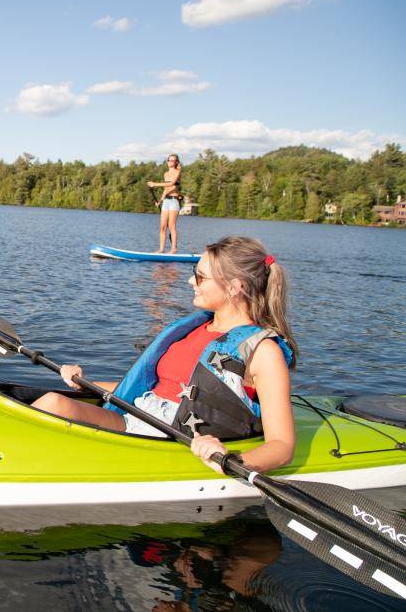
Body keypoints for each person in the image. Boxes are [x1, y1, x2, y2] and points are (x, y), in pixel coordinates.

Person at [32, 236, 298, 474]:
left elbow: (282, 446)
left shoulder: (264, 352)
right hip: (135, 419)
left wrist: (231, 460)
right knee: (54, 402)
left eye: (200, 276)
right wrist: (85, 383)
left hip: (174, 441)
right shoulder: (195, 329)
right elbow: (164, 390)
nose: (190, 281)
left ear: (234, 287)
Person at [147, 153, 183, 253]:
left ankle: (173, 249)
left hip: (174, 201)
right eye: (169, 160)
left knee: (171, 225)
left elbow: (171, 184)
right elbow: (166, 188)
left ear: (176, 162)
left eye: (172, 160)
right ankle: (161, 249)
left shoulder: (178, 171)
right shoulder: (166, 174)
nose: (170, 162)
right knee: (162, 227)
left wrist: (155, 184)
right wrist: (160, 201)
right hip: (166, 201)